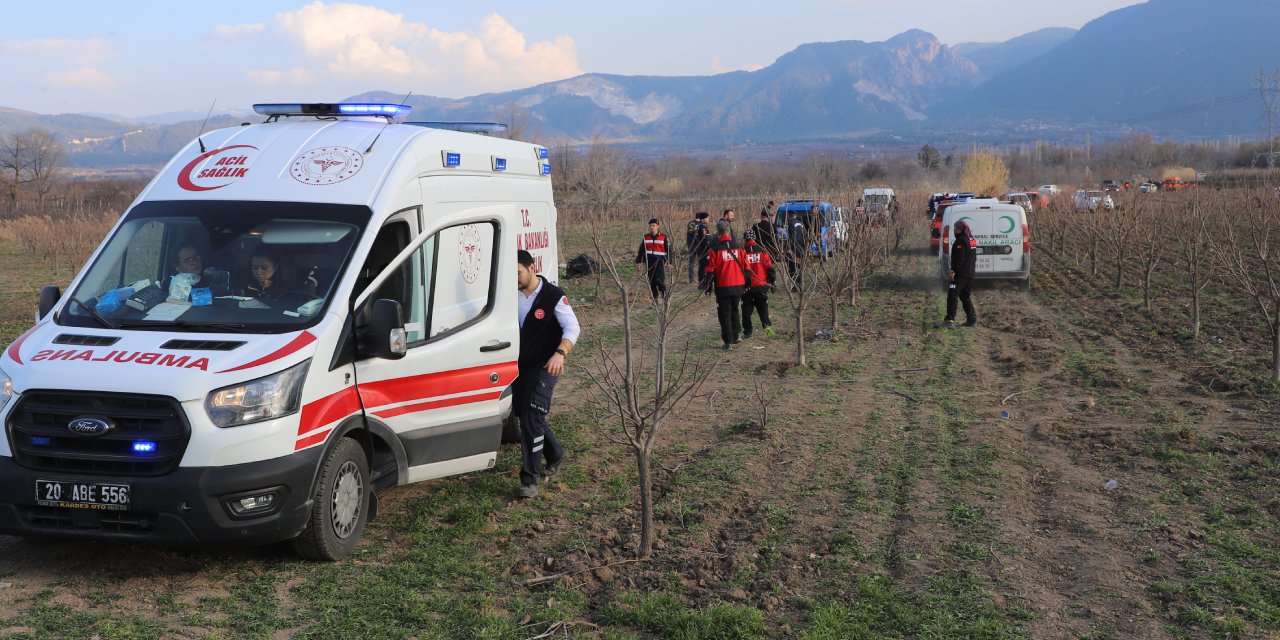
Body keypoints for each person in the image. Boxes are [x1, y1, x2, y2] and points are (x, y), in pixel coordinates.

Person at [515, 249, 580, 499]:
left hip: (546, 365)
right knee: (526, 413)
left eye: (518, 273)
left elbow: (572, 327)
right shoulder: (509, 295)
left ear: (532, 268)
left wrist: (560, 353)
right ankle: (556, 453)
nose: (515, 279)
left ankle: (529, 480)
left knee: (532, 414)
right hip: (519, 366)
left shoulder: (553, 296)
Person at [705, 220, 748, 350]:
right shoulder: (738, 246)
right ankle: (737, 334)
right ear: (728, 231)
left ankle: (728, 342)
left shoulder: (715, 249)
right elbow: (746, 266)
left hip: (723, 285)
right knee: (735, 309)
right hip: (738, 284)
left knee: (724, 314)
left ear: (717, 233)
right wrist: (747, 284)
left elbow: (710, 270)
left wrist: (708, 287)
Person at [740, 228, 776, 339]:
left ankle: (747, 331)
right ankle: (766, 325)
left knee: (746, 310)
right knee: (763, 307)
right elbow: (770, 268)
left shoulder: (742, 252)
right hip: (761, 285)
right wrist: (772, 282)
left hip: (746, 286)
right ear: (755, 238)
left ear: (745, 239)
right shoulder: (762, 251)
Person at [943, 220, 978, 328]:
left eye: (955, 228)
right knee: (964, 296)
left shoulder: (960, 241)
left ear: (959, 229)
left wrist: (953, 270)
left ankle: (950, 320)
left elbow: (960, 259)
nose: (954, 230)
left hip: (961, 274)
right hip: (970, 273)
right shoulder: (971, 239)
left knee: (952, 294)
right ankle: (972, 320)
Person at [634, 218, 671, 300]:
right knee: (652, 281)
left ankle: (664, 294)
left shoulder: (664, 237)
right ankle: (655, 299)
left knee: (659, 279)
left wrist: (669, 262)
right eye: (650, 225)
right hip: (649, 262)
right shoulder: (646, 237)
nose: (651, 227)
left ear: (657, 226)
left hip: (660, 262)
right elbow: (641, 250)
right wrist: (639, 261)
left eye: (653, 225)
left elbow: (669, 251)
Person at [685, 211, 711, 286]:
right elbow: (703, 237)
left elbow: (689, 233)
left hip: (691, 244)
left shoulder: (691, 223)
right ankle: (702, 279)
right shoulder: (701, 225)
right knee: (702, 263)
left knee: (691, 262)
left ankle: (691, 279)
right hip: (699, 245)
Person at [784, 211, 808, 289]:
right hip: (802, 248)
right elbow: (806, 236)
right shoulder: (801, 224)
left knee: (792, 268)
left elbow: (791, 237)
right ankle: (801, 284)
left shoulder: (790, 224)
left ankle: (796, 286)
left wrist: (788, 248)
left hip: (794, 249)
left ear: (789, 216)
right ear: (795, 216)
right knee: (800, 267)